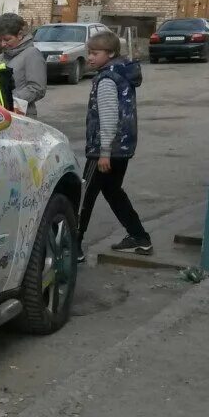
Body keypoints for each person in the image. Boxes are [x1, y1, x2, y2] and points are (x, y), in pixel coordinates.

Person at [79, 30, 150, 262]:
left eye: (95, 53)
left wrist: (104, 152)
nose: (90, 57)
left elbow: (108, 116)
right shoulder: (122, 74)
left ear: (110, 53)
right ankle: (139, 237)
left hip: (105, 150)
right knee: (113, 192)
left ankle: (72, 245)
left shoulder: (107, 79)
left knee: (84, 197)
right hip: (122, 148)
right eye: (89, 52)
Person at [0, 13, 47, 117]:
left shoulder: (32, 54)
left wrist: (9, 98)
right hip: (2, 115)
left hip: (23, 116)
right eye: (0, 40)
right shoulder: (1, 56)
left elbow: (37, 88)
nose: (3, 44)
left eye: (7, 39)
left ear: (19, 35)